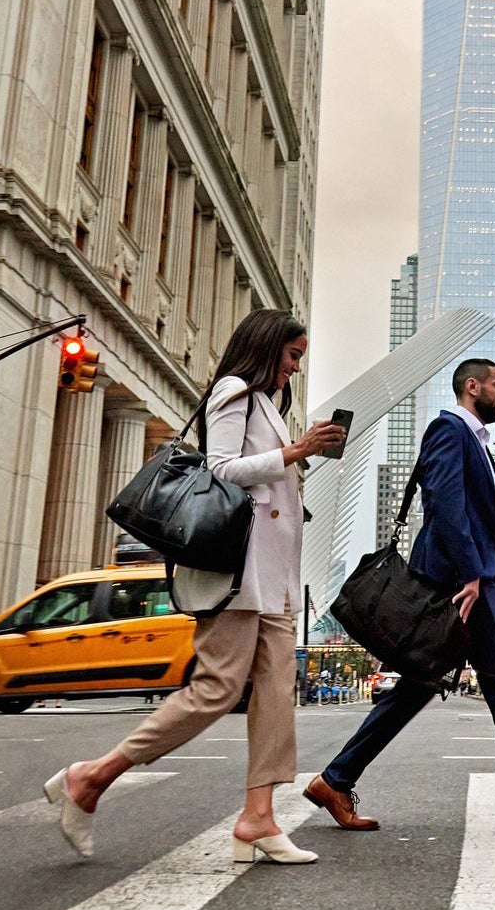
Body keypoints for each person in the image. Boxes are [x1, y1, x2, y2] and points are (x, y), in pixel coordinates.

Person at [43, 309, 347, 864]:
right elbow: (222, 469)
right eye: (292, 355)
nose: (295, 368)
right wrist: (295, 452)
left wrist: (296, 458)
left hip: (275, 578)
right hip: (237, 573)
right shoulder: (232, 390)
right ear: (266, 348)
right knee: (217, 688)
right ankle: (90, 777)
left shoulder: (266, 405)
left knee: (277, 695)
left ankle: (259, 817)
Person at [303, 359, 495, 838]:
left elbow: (470, 515)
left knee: (420, 684)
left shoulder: (478, 443)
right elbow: (443, 505)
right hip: (461, 585)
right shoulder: (449, 430)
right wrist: (471, 574)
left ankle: (335, 780)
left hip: (466, 579)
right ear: (473, 387)